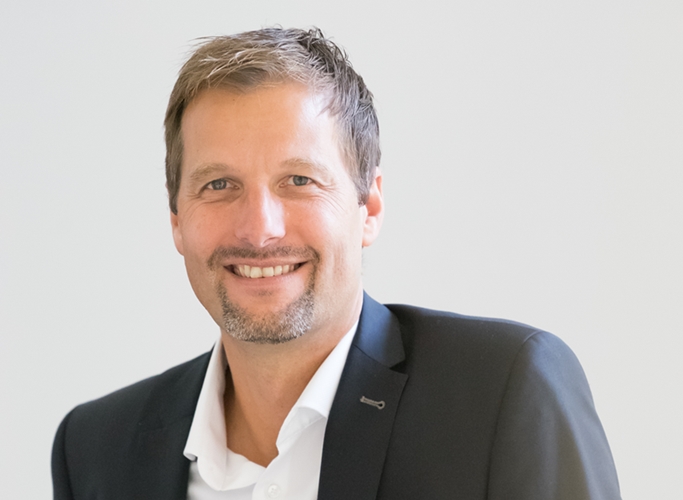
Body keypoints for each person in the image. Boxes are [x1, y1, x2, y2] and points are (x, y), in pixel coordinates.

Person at [52, 27, 621, 500]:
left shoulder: (502, 398)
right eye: (219, 184)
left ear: (369, 207)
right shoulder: (96, 450)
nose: (259, 229)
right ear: (177, 218)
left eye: (299, 180)